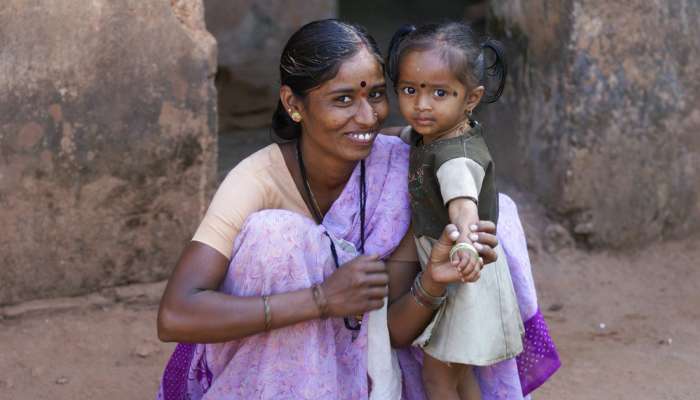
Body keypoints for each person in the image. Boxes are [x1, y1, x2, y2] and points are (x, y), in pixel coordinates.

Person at [154, 19, 501, 400]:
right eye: (343, 99)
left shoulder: (400, 171)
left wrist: (432, 282)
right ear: (293, 104)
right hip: (272, 370)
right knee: (275, 235)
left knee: (495, 210)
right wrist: (321, 299)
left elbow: (391, 332)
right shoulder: (257, 179)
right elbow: (176, 315)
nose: (368, 117)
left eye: (376, 95)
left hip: (377, 370)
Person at [384, 22, 559, 399]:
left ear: (471, 98)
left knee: (438, 376)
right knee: (460, 376)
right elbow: (406, 137)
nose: (422, 104)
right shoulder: (437, 131)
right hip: (460, 276)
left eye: (440, 92)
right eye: (409, 90)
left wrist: (465, 243)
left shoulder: (455, 158)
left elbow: (462, 205)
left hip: (464, 278)